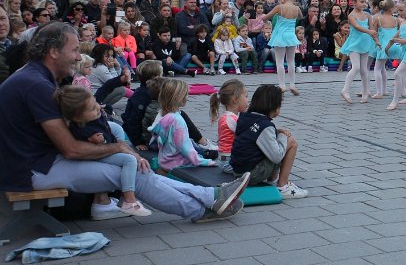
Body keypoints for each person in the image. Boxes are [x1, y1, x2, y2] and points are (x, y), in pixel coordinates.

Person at [0, 24, 251, 222]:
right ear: (53, 52)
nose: (79, 57)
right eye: (75, 50)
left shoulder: (34, 77)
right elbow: (71, 149)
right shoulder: (37, 86)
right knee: (133, 173)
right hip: (33, 171)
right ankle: (200, 210)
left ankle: (211, 196)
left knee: (136, 167)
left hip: (36, 163)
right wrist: (118, 147)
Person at [55, 85, 152, 217]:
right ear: (78, 117)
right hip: (94, 156)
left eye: (96, 103)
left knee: (128, 153)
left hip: (106, 149)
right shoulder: (81, 127)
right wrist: (94, 141)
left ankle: (123, 197)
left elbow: (110, 135)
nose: (98, 108)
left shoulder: (96, 117)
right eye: (92, 109)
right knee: (129, 160)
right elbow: (80, 147)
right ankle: (129, 199)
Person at [230, 85, 308, 198]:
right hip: (251, 175)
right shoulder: (265, 126)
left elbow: (252, 135)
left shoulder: (245, 117)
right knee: (291, 142)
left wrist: (276, 131)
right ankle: (283, 185)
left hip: (238, 172)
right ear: (274, 107)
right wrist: (282, 136)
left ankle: (272, 181)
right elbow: (277, 156)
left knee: (273, 146)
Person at [266, 0, 303, 96]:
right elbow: (300, 17)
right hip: (290, 35)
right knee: (291, 61)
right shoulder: (297, 8)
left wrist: (262, 18)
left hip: (280, 36)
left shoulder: (279, 7)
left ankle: (282, 85)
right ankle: (292, 84)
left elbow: (267, 17)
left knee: (280, 61)